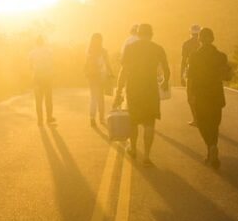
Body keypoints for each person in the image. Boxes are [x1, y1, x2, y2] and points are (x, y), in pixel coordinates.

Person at [114, 23, 170, 164]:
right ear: (151, 34)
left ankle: (133, 149)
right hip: (150, 89)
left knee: (133, 121)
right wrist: (164, 81)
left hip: (133, 88)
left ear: (138, 34)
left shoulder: (130, 48)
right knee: (149, 123)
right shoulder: (157, 48)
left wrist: (119, 90)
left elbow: (123, 71)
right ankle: (146, 156)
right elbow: (166, 69)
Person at [187, 27, 232, 169]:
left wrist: (190, 95)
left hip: (200, 94)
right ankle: (212, 149)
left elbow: (190, 78)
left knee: (201, 122)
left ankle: (210, 146)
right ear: (213, 39)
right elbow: (228, 76)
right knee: (214, 124)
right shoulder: (221, 56)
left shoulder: (193, 56)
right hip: (216, 94)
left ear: (199, 40)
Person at [83, 33, 112, 127]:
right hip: (100, 76)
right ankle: (101, 118)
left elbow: (86, 64)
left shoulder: (89, 51)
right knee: (100, 98)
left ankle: (92, 118)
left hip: (91, 77)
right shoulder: (103, 51)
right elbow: (107, 63)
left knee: (93, 97)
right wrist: (111, 73)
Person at [30, 35, 56, 126]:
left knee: (38, 100)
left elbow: (30, 65)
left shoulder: (32, 52)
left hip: (37, 78)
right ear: (43, 42)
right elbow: (52, 64)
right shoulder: (48, 51)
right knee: (48, 99)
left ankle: (39, 120)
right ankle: (49, 117)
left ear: (36, 43)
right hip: (47, 77)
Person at [180, 24, 201, 126]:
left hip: (191, 74)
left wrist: (181, 75)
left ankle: (196, 119)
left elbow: (183, 60)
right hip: (204, 74)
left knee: (191, 97)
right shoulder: (204, 43)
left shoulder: (186, 44)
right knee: (202, 96)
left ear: (190, 33)